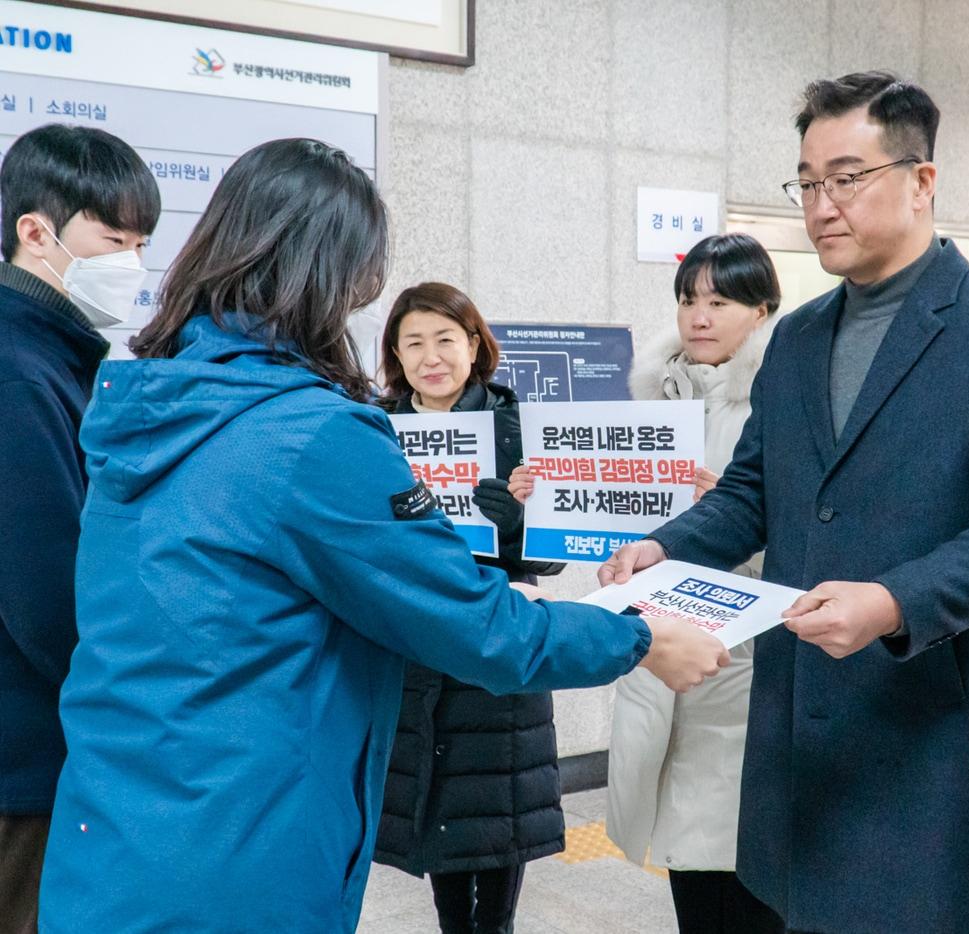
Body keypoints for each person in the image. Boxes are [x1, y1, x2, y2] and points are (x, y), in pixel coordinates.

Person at [35, 137, 729, 934]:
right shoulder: (312, 436)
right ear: (335, 275)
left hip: (111, 825)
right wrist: (636, 639)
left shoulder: (143, 407)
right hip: (239, 851)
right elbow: (478, 625)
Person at [598, 73, 969, 933]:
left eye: (847, 177)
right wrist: (665, 550)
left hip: (924, 739)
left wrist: (897, 601)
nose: (822, 205)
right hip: (794, 742)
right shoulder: (797, 335)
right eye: (808, 181)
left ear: (922, 180)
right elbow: (753, 490)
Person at [371, 282, 569, 934]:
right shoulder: (373, 434)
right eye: (414, 343)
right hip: (414, 654)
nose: (432, 357)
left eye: (446, 339)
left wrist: (515, 527)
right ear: (395, 357)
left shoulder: (518, 428)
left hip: (495, 646)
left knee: (498, 817)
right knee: (437, 818)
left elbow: (552, 556)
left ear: (475, 345)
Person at [0, 124, 158, 934]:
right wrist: (125, 706)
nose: (132, 264)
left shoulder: (56, 356)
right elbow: (42, 580)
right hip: (21, 751)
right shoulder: (19, 369)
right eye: (113, 239)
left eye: (141, 243)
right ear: (36, 231)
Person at [608, 233, 783, 933]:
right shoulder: (651, 406)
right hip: (658, 652)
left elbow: (808, 539)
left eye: (720, 300)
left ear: (763, 311)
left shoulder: (777, 409)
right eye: (687, 300)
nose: (698, 317)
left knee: (743, 870)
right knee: (686, 864)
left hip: (740, 666)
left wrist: (731, 515)